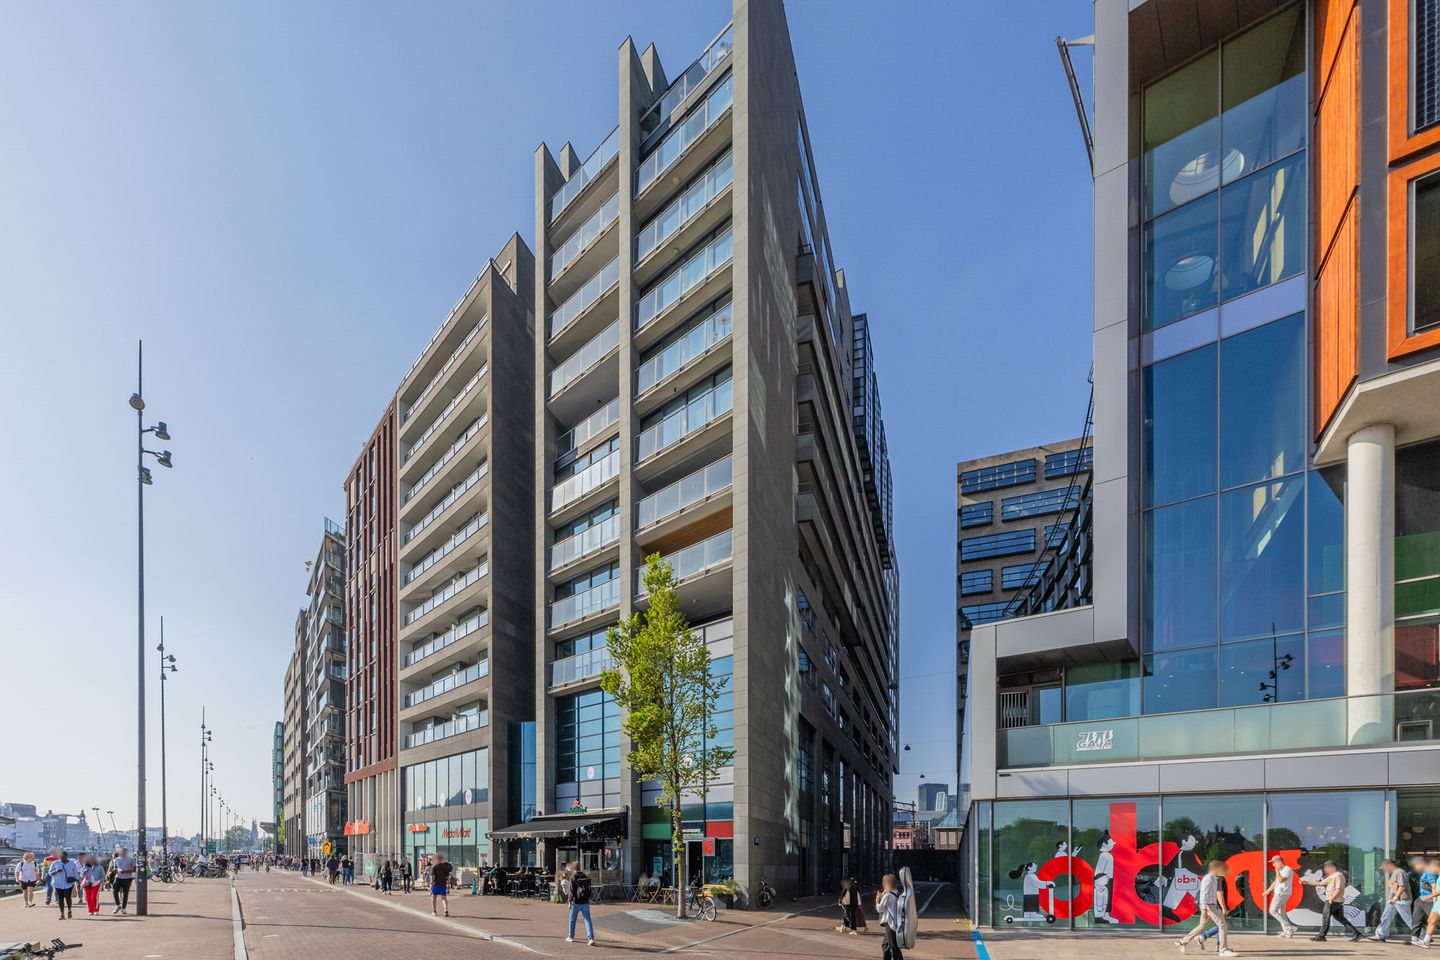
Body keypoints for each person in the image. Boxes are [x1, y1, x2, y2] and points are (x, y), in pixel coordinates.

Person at [1176, 860, 1235, 957]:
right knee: (1222, 925)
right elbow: (1203, 894)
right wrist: (1204, 910)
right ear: (1215, 869)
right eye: (1221, 868)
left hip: (1211, 905)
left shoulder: (1215, 878)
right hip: (1209, 906)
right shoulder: (1208, 878)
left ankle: (1182, 942)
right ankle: (1223, 949)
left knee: (1201, 926)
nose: (1223, 870)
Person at [1304, 860, 1361, 942]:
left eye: (1326, 868)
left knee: (1326, 918)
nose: (1325, 870)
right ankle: (1356, 933)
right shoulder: (1332, 876)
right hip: (1336, 901)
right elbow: (1321, 883)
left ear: (1332, 867)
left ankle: (1321, 936)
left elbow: (1338, 889)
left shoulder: (1338, 875)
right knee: (1340, 918)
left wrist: (1331, 898)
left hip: (1333, 901)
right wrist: (1306, 882)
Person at [1373, 858, 1414, 942]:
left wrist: (1395, 898)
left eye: (1384, 868)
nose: (1384, 870)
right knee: (1386, 916)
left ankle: (1422, 935)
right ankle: (1381, 935)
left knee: (1408, 919)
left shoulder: (1400, 872)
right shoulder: (1394, 873)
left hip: (1401, 900)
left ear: (1389, 865)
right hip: (1394, 900)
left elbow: (1402, 887)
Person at [1262, 854, 1298, 938]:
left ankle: (1289, 927)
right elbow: (1276, 882)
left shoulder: (1287, 869)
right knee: (1281, 913)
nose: (1273, 864)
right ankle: (1287, 932)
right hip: (1281, 893)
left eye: (1274, 863)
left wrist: (1276, 870)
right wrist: (1268, 891)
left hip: (1282, 893)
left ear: (1279, 862)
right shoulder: (1281, 870)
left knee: (1272, 910)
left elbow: (1281, 880)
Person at [562, 864, 595, 946]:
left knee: (572, 919)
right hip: (585, 901)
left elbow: (571, 891)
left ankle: (571, 936)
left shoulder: (573, 877)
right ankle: (591, 938)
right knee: (587, 920)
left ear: (573, 869)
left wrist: (570, 901)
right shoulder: (585, 876)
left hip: (576, 902)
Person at [876, 873, 904, 960]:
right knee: (885, 945)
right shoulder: (896, 893)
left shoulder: (888, 896)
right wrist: (883, 894)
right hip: (896, 923)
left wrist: (877, 900)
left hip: (891, 924)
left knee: (893, 948)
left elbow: (880, 909)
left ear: (886, 884)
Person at [1415, 857, 1440, 948]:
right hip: (1438, 903)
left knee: (1432, 920)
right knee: (1431, 920)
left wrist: (1429, 897)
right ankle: (1426, 941)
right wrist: (1435, 900)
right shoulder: (1438, 876)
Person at [48, 851, 79, 920]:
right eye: (61, 857)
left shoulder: (72, 863)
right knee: (60, 898)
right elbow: (49, 873)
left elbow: (75, 873)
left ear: (66, 856)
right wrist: (56, 871)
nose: (62, 858)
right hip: (58, 883)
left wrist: (78, 882)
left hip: (69, 883)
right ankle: (62, 914)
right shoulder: (55, 863)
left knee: (68, 897)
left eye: (63, 857)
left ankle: (69, 910)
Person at [111, 847, 137, 915]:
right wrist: (114, 871)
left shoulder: (131, 859)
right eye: (121, 852)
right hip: (118, 877)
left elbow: (135, 869)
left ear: (126, 853)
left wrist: (125, 871)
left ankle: (123, 908)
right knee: (114, 891)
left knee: (126, 893)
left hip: (127, 878)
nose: (122, 853)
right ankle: (118, 905)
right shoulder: (116, 859)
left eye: (123, 852)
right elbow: (115, 868)